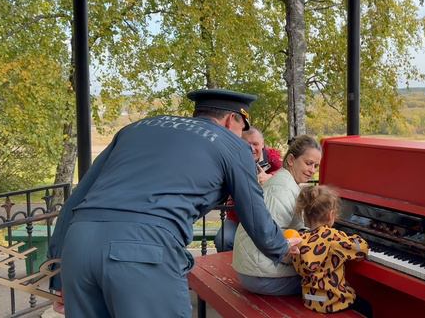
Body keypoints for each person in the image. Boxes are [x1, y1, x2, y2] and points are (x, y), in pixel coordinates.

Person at [47, 89, 300, 317]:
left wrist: (58, 276)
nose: (241, 136)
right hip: (144, 249)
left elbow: (77, 199)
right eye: (242, 128)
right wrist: (282, 248)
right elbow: (254, 214)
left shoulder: (135, 128)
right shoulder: (232, 145)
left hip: (78, 247)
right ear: (231, 119)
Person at [232, 135, 322, 295]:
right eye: (308, 163)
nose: (312, 171)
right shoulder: (281, 188)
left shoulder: (284, 182)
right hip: (262, 276)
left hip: (257, 270)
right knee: (325, 279)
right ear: (292, 160)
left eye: (316, 166)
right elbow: (272, 237)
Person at [291, 185, 371, 317]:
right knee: (367, 307)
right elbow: (362, 249)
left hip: (309, 299)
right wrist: (355, 238)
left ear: (305, 214)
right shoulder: (334, 237)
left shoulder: (300, 239)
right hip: (333, 302)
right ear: (331, 215)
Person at [214, 127, 283, 252]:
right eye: (247, 144)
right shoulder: (232, 158)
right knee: (223, 240)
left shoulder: (272, 158)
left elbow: (287, 172)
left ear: (262, 144)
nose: (251, 148)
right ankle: (229, 269)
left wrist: (270, 177)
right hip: (237, 216)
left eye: (255, 144)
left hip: (267, 216)